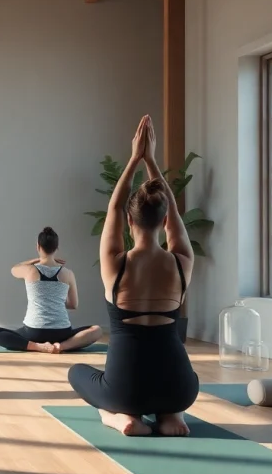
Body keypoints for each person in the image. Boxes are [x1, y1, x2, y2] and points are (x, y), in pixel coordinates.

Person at [68, 115, 199, 437]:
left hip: (126, 392)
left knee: (77, 371)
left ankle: (120, 418)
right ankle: (171, 417)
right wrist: (152, 161)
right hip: (180, 390)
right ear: (165, 219)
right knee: (175, 380)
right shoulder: (182, 262)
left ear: (129, 220)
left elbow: (112, 210)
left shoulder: (115, 264)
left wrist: (134, 159)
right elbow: (174, 216)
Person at [0, 227, 102, 353]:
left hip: (34, 332)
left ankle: (37, 347)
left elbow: (14, 269)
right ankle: (61, 346)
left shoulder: (30, 270)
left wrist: (36, 260)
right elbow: (73, 305)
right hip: (62, 333)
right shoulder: (68, 273)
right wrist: (55, 302)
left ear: (38, 246)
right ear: (56, 248)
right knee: (97, 330)